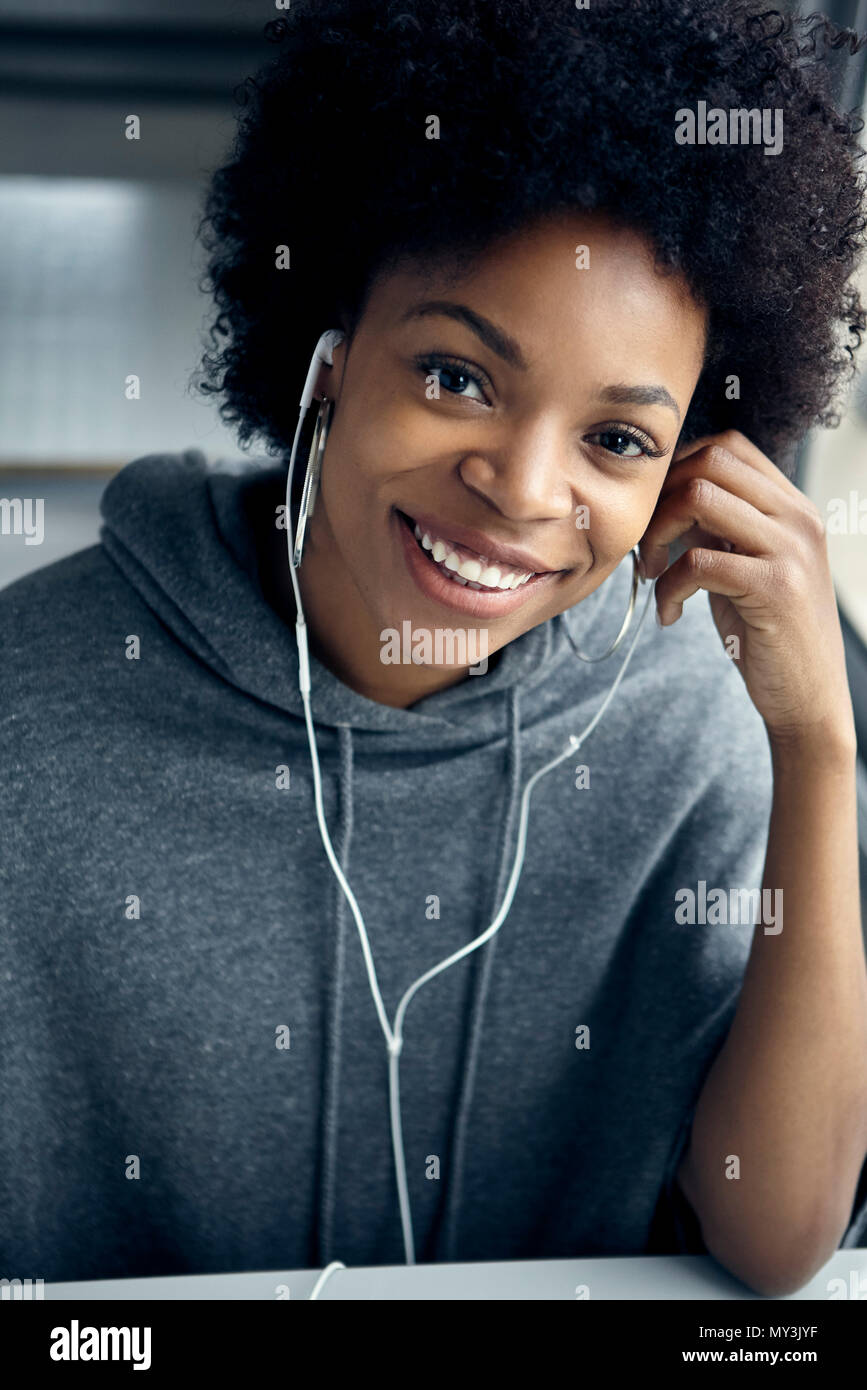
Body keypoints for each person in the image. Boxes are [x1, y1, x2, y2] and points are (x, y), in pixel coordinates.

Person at [2, 0, 867, 1297]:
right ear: (331, 358)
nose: (522, 489)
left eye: (617, 440)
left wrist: (815, 745)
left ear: (686, 465)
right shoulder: (33, 706)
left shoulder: (692, 718)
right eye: (457, 375)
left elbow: (779, 1238)